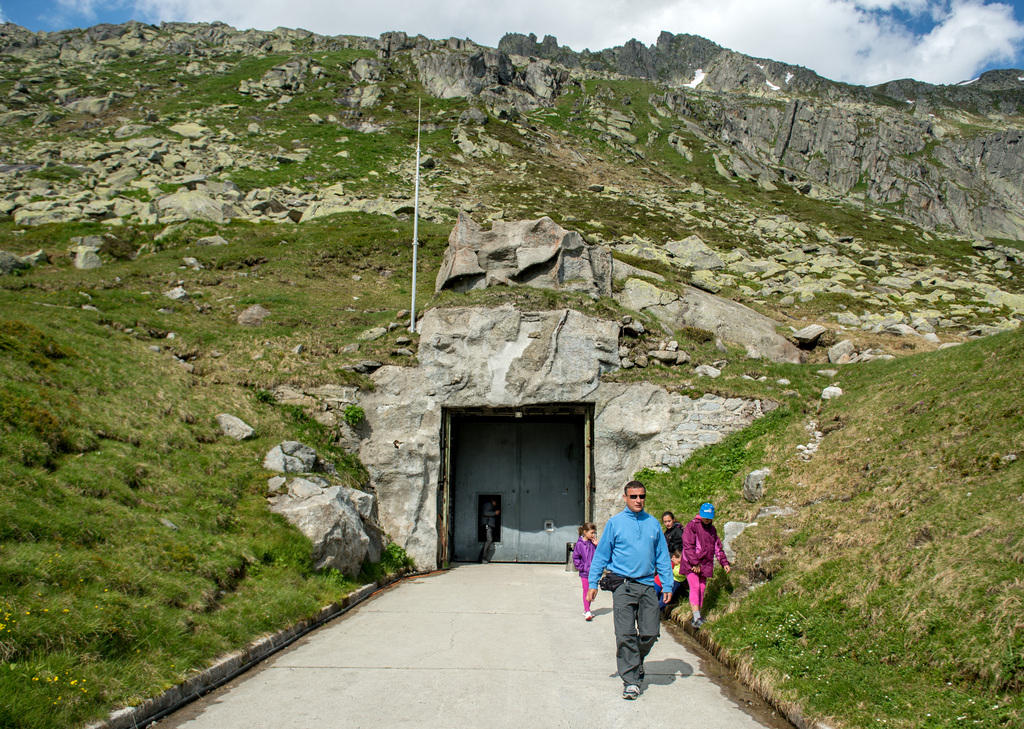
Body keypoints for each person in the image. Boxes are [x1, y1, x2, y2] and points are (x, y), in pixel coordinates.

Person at [587, 481, 673, 700]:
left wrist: (667, 583)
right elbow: (601, 555)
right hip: (623, 586)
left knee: (650, 633)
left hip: (646, 585)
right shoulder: (615, 524)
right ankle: (631, 681)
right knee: (625, 634)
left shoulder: (653, 524)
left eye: (641, 496)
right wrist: (592, 583)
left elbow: (662, 556)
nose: (638, 500)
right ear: (625, 497)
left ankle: (634, 662)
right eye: (633, 496)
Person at [682, 502, 731, 628]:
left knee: (702, 589)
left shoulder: (712, 530)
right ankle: (696, 616)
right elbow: (688, 546)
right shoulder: (692, 526)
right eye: (705, 517)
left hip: (705, 564)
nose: (707, 520)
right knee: (695, 587)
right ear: (701, 515)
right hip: (691, 564)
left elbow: (717, 547)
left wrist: (724, 562)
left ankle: (698, 616)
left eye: (710, 518)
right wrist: (695, 563)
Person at [571, 522, 599, 621]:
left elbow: (599, 555)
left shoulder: (593, 543)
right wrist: (582, 567)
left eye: (594, 533)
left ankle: (587, 609)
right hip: (585, 572)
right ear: (585, 532)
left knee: (592, 591)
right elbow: (575, 557)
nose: (593, 535)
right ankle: (587, 610)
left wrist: (597, 545)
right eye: (591, 533)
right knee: (586, 590)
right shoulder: (579, 544)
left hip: (594, 572)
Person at [479, 497, 500, 563]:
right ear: (493, 501)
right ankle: (483, 558)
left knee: (489, 540)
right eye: (495, 502)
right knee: (489, 540)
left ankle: (483, 558)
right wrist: (495, 513)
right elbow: (485, 512)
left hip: (489, 525)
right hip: (487, 524)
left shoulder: (491, 506)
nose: (496, 504)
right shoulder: (488, 504)